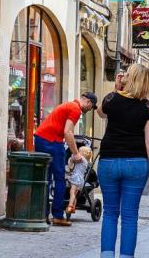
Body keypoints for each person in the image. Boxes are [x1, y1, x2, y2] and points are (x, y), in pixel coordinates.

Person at [97, 65, 149, 258]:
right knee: (130, 216)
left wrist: (116, 89)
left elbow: (100, 113)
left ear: (128, 78)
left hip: (108, 161)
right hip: (136, 163)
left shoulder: (112, 99)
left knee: (109, 213)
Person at [34, 92, 97, 226]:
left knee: (46, 178)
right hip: (52, 141)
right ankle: (57, 215)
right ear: (89, 103)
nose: (89, 109)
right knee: (60, 179)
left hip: (41, 138)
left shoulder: (69, 105)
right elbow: (68, 132)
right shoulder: (75, 109)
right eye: (91, 107)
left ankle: (42, 214)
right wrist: (76, 153)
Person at [65, 145, 93, 215]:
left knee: (72, 192)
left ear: (83, 154)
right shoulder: (85, 162)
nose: (77, 153)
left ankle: (70, 205)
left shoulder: (82, 159)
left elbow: (74, 158)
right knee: (74, 194)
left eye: (79, 151)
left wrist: (72, 155)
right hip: (80, 180)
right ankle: (73, 207)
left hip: (76, 178)